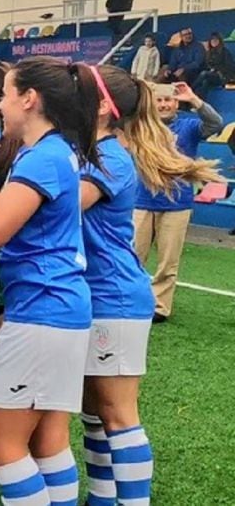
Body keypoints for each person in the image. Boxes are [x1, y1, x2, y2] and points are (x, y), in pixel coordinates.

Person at [0, 56, 102, 506]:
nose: (2, 107)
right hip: (60, 311)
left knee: (2, 441)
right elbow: (3, 208)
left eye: (7, 95)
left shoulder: (43, 158)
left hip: (40, 314)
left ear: (29, 99)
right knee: (48, 440)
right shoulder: (51, 152)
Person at [78, 65, 218, 506]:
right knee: (94, 413)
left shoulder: (111, 157)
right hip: (99, 295)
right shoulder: (100, 150)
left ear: (102, 108)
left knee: (118, 415)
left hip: (114, 299)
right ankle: (102, 498)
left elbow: (56, 208)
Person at [133, 81, 223, 322]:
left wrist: (193, 99)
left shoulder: (190, 125)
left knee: (168, 261)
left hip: (177, 204)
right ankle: (131, 299)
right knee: (132, 256)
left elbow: (216, 123)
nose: (164, 105)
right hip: (141, 201)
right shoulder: (141, 126)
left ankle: (160, 307)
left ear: (176, 103)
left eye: (168, 100)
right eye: (159, 100)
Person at [192, 32, 235, 99]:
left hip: (223, 76)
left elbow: (230, 67)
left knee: (204, 74)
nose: (214, 42)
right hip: (212, 75)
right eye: (212, 40)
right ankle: (199, 103)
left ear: (219, 41)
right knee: (205, 82)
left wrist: (216, 69)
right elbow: (206, 65)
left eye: (216, 40)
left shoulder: (225, 52)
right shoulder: (209, 52)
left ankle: (190, 89)